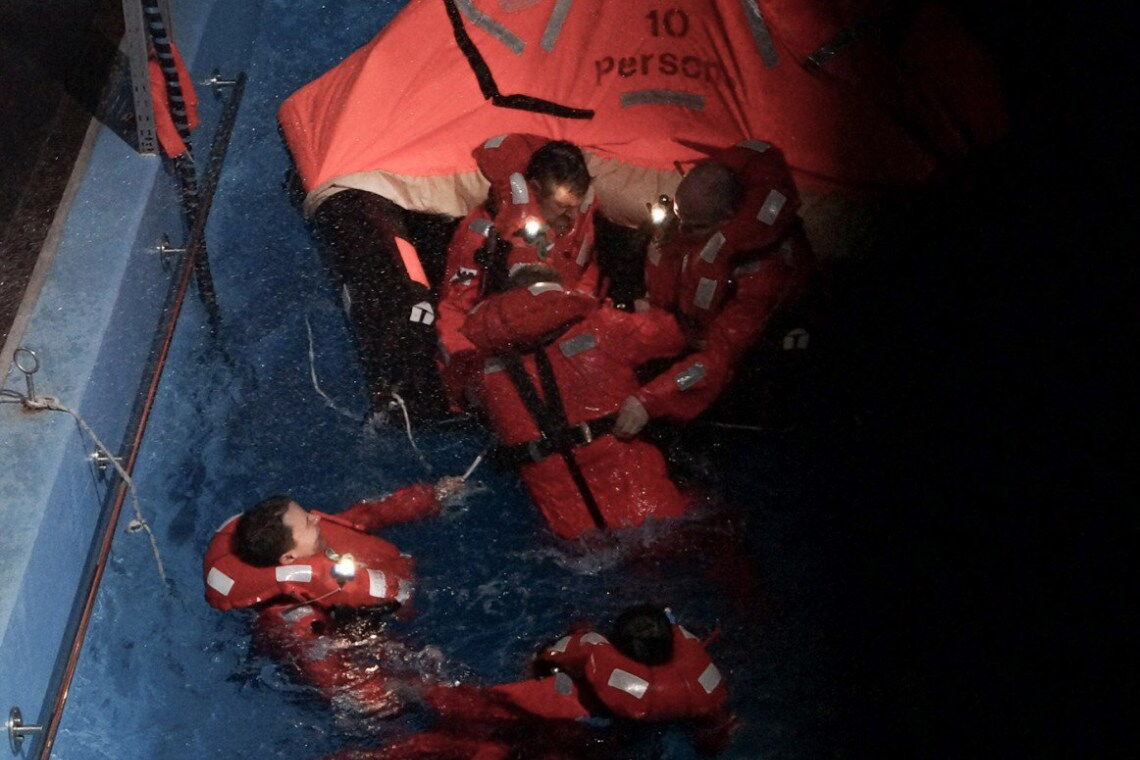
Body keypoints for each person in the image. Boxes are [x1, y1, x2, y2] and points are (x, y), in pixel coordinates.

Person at [460, 263, 690, 539]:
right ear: (557, 293)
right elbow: (677, 336)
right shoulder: (604, 327)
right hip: (652, 518)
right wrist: (649, 310)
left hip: (573, 538)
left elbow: (469, 399)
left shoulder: (483, 371)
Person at [325, 605, 732, 759]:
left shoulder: (551, 698)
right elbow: (713, 736)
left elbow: (478, 702)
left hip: (539, 722)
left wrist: (413, 689)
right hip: (597, 747)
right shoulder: (697, 696)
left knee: (458, 740)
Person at [203, 476, 464, 712]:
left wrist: (434, 495)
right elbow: (339, 686)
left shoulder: (308, 543)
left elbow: (366, 515)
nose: (315, 518)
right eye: (307, 521)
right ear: (289, 557)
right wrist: (406, 690)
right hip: (362, 649)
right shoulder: (293, 620)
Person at [613, 140, 817, 438]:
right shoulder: (686, 232)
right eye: (680, 218)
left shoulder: (761, 273)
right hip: (694, 328)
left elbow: (718, 357)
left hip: (750, 350)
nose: (680, 232)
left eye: (692, 226)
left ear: (727, 221)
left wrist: (648, 402)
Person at [437, 135, 601, 410]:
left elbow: (586, 275)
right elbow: (457, 310)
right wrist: (466, 381)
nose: (571, 218)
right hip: (504, 355)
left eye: (576, 207)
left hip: (558, 350)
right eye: (562, 207)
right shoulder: (482, 234)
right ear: (534, 189)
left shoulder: (577, 222)